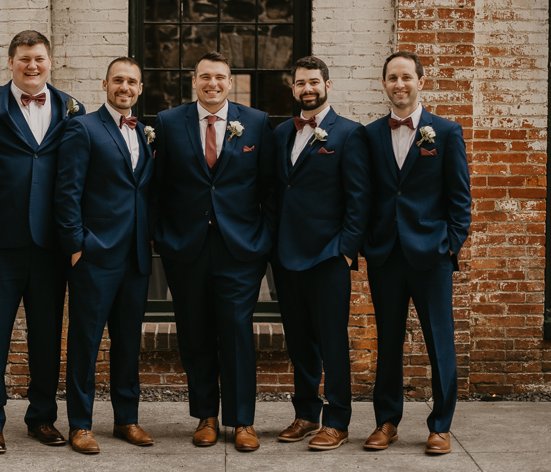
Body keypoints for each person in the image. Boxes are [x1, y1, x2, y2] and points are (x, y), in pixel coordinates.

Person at [0, 30, 85, 453]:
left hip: (51, 243)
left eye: (39, 59)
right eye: (23, 59)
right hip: (0, 240)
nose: (32, 67)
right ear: (10, 61)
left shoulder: (72, 107)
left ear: (51, 60)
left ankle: (42, 417)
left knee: (47, 334)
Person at [151, 51, 276, 452]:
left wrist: (264, 238)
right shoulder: (170, 122)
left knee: (237, 332)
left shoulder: (255, 122)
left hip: (240, 249)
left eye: (220, 77)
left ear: (230, 81)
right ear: (194, 81)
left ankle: (242, 421)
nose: (213, 84)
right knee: (194, 330)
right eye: (205, 77)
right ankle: (206, 416)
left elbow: (269, 188)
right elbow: (158, 185)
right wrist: (162, 236)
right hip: (186, 248)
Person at [362, 50, 471, 455]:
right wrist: (367, 245)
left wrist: (448, 245)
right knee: (387, 342)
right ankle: (386, 422)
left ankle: (440, 425)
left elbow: (460, 200)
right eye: (392, 77)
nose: (399, 84)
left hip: (432, 256)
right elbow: (366, 194)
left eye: (406, 77)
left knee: (439, 340)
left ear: (421, 82)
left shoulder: (445, 132)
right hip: (386, 255)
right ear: (384, 84)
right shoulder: (370, 135)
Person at [55, 57, 155, 454]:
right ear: (105, 85)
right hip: (95, 256)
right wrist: (77, 247)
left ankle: (126, 420)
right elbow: (67, 193)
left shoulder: (146, 132)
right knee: (85, 343)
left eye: (131, 81)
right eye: (118, 81)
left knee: (128, 343)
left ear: (140, 88)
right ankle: (80, 425)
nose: (124, 87)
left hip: (135, 257)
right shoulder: (82, 127)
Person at [271, 56, 370, 450]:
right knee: (299, 341)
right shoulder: (280, 132)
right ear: (293, 88)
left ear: (328, 85)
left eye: (314, 82)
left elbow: (360, 199)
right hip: (286, 255)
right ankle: (306, 413)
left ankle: (338, 420)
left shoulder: (349, 134)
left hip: (329, 256)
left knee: (332, 341)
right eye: (300, 83)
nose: (307, 89)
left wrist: (346, 250)